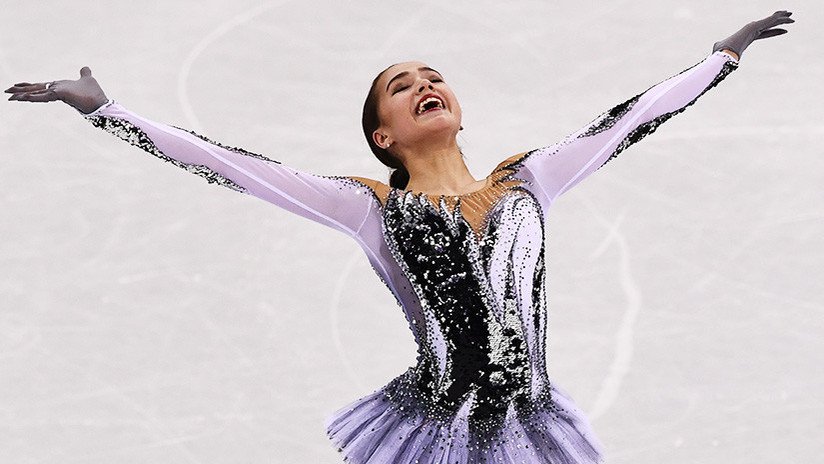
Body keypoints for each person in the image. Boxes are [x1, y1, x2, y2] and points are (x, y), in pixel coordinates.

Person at [6, 11, 794, 464]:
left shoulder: (530, 178)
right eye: (400, 85)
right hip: (436, 429)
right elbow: (233, 167)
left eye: (431, 75)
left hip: (530, 423)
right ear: (383, 136)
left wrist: (725, 55)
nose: (423, 84)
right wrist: (107, 113)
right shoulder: (370, 208)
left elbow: (630, 119)